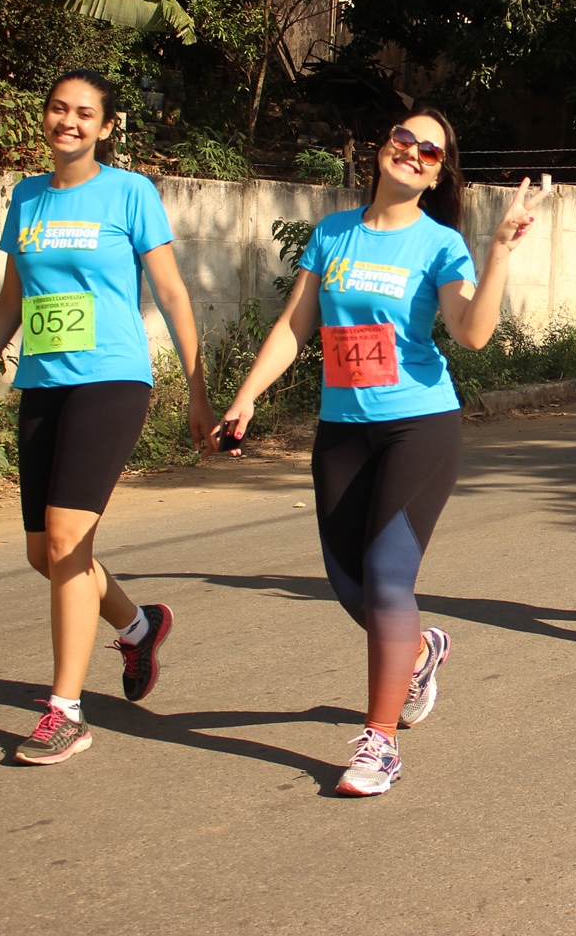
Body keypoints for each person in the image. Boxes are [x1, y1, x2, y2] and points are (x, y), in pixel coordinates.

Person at [218, 108, 547, 797]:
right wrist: (247, 395)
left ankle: (380, 743)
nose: (413, 152)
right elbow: (296, 324)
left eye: (431, 151)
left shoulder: (441, 245)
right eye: (405, 139)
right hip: (342, 429)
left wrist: (498, 253)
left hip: (418, 426)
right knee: (350, 586)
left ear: (438, 174)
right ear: (382, 146)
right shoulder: (333, 233)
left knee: (388, 577)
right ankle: (421, 648)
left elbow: (471, 333)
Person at [0, 70, 214, 765]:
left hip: (111, 381)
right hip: (43, 384)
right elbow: (11, 301)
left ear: (107, 126)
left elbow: (172, 294)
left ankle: (65, 713)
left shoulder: (130, 192)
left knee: (66, 540)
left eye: (85, 113)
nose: (69, 121)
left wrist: (199, 389)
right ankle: (139, 626)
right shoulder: (27, 197)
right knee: (46, 553)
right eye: (59, 108)